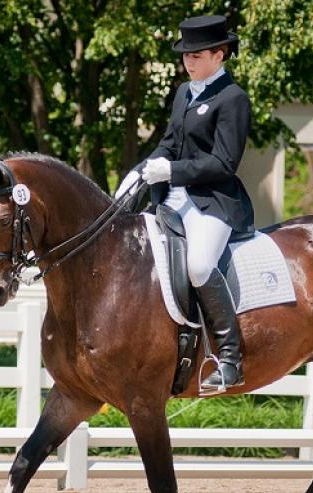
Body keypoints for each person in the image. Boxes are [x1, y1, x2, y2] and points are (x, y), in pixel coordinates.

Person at [116, 15, 254, 392]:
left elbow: (224, 162)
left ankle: (229, 359)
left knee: (198, 265)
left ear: (219, 54)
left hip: (212, 202)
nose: (188, 62)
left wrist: (171, 170)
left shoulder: (233, 98)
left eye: (196, 55)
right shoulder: (184, 92)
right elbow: (169, 143)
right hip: (171, 198)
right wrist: (142, 171)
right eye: (185, 56)